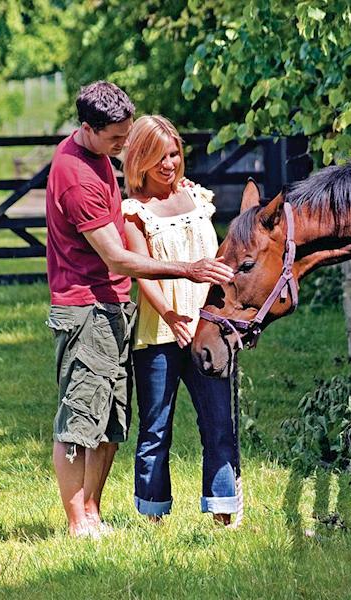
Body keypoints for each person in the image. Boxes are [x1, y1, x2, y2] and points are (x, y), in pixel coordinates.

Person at [45, 82, 233, 538]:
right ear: (87, 129)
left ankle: (93, 512)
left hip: (111, 306)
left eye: (127, 137)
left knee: (108, 419)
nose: (123, 147)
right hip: (84, 306)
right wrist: (186, 270)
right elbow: (118, 258)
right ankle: (78, 522)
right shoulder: (78, 177)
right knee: (78, 419)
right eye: (116, 140)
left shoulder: (94, 155)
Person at [121, 115, 242, 526]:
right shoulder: (135, 212)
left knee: (218, 422)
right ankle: (151, 515)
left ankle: (223, 508)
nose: (169, 164)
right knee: (156, 428)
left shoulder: (197, 198)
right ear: (140, 160)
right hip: (158, 333)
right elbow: (141, 271)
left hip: (206, 329)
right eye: (158, 157)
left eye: (174, 154)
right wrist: (171, 317)